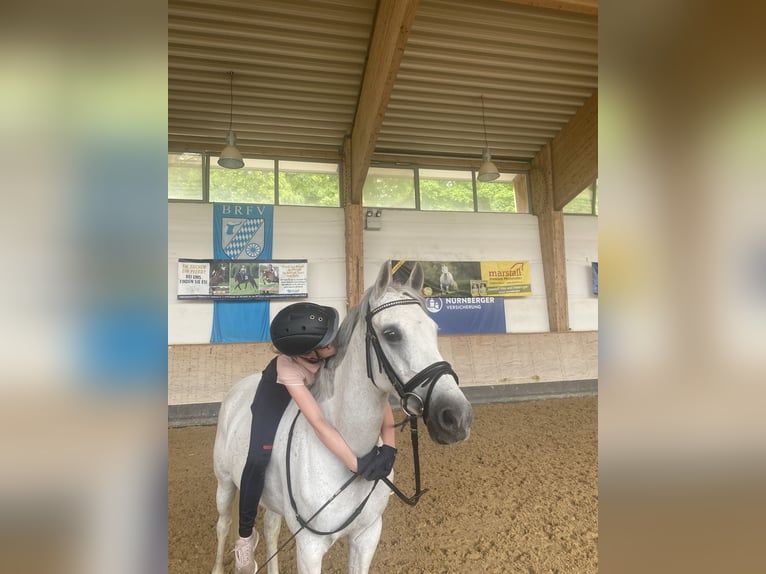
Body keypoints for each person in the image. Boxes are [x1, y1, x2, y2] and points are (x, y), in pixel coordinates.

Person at [234, 302, 397, 574]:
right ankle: (244, 537)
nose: (337, 340)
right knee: (257, 457)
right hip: (279, 390)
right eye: (330, 339)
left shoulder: (335, 350)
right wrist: (356, 464)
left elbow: (375, 397)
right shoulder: (288, 368)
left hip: (318, 382)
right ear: (310, 351)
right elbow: (319, 423)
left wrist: (389, 446)